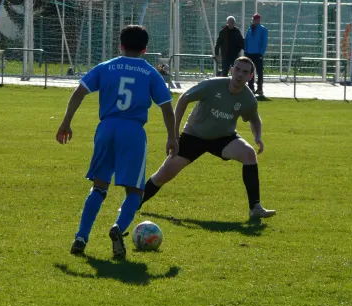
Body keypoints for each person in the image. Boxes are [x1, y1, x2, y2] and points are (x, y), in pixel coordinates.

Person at [56, 25, 179, 260]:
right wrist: (172, 136)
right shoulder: (150, 72)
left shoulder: (106, 67)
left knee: (99, 187)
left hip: (106, 128)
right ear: (145, 49)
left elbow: (79, 92)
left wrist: (66, 123)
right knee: (135, 191)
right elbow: (166, 107)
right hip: (132, 131)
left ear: (120, 45)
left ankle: (81, 236)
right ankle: (118, 227)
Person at [138, 56, 276, 219]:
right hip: (194, 135)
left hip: (223, 138)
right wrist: (174, 134)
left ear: (250, 76)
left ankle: (255, 208)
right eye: (237, 69)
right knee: (163, 175)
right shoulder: (212, 85)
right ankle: (132, 205)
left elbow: (254, 119)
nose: (240, 74)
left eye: (245, 72)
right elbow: (183, 99)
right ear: (232, 70)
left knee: (248, 153)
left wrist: (258, 136)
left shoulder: (248, 99)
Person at [244, 13, 269, 96]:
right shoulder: (250, 29)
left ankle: (260, 88)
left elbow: (264, 42)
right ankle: (251, 87)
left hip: (258, 54)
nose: (254, 21)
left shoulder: (263, 30)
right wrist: (246, 51)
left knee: (259, 71)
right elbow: (246, 40)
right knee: (250, 71)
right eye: (253, 19)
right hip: (249, 53)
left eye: (256, 19)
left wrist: (261, 52)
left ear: (259, 20)